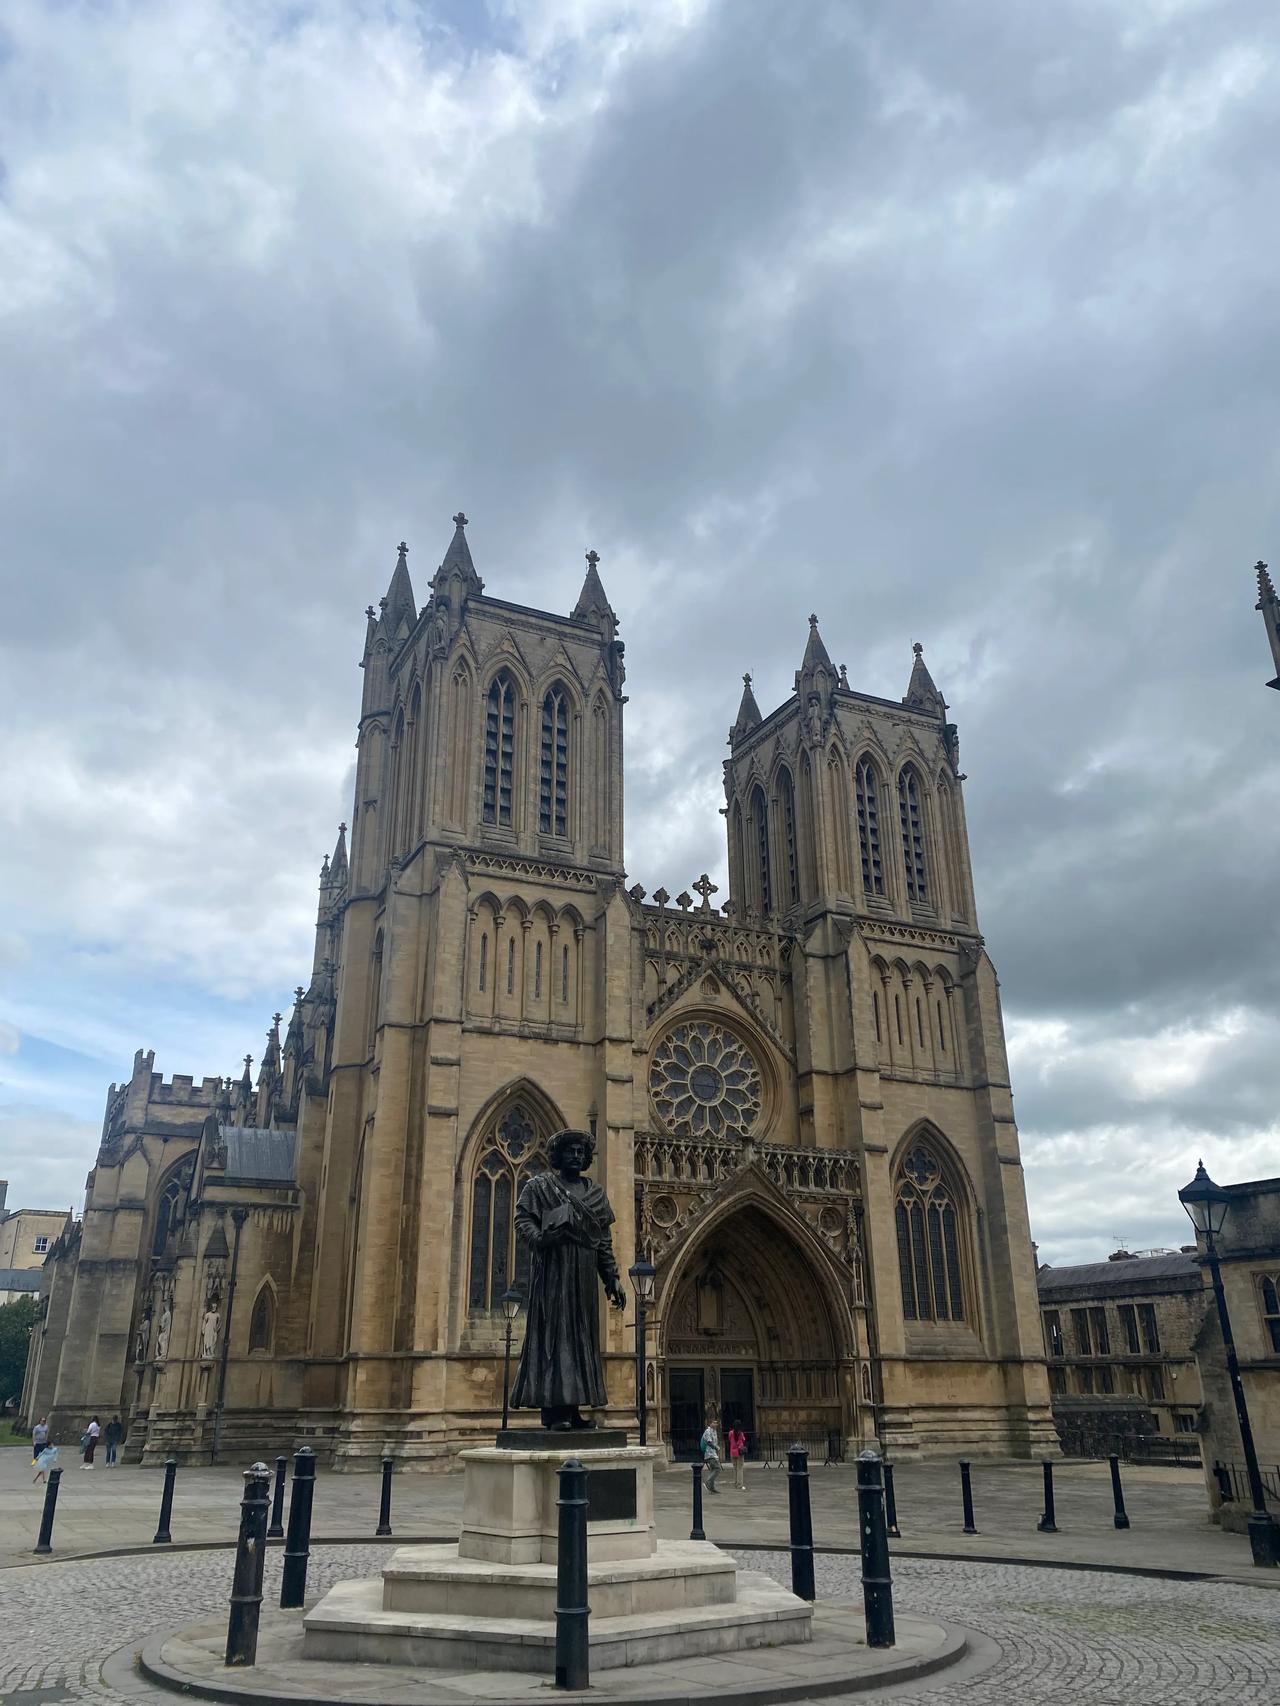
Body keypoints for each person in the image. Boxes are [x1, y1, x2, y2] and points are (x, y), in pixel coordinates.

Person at [510, 1129, 626, 1430]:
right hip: (554, 1271)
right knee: (555, 1336)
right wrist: (540, 1238)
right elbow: (522, 1219)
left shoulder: (595, 1193)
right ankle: (554, 1412)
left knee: (580, 1338)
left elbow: (603, 1240)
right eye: (569, 1151)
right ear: (558, 1156)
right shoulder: (540, 1187)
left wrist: (611, 1277)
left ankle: (572, 1409)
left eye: (580, 1152)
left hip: (584, 1273)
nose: (575, 1155)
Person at [700, 1417, 722, 1493]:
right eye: (714, 1422)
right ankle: (708, 1483)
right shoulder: (708, 1431)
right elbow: (709, 1442)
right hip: (709, 1454)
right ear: (710, 1423)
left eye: (716, 1423)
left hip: (713, 1453)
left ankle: (711, 1488)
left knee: (713, 1469)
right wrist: (716, 1447)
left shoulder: (714, 1431)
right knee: (717, 1469)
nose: (716, 1424)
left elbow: (714, 1442)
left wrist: (716, 1447)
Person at [728, 1420, 748, 1492]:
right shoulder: (740, 1433)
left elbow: (730, 1440)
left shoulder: (730, 1433)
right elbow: (743, 1440)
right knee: (740, 1468)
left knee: (735, 1468)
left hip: (732, 1452)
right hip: (739, 1452)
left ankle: (736, 1483)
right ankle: (740, 1484)